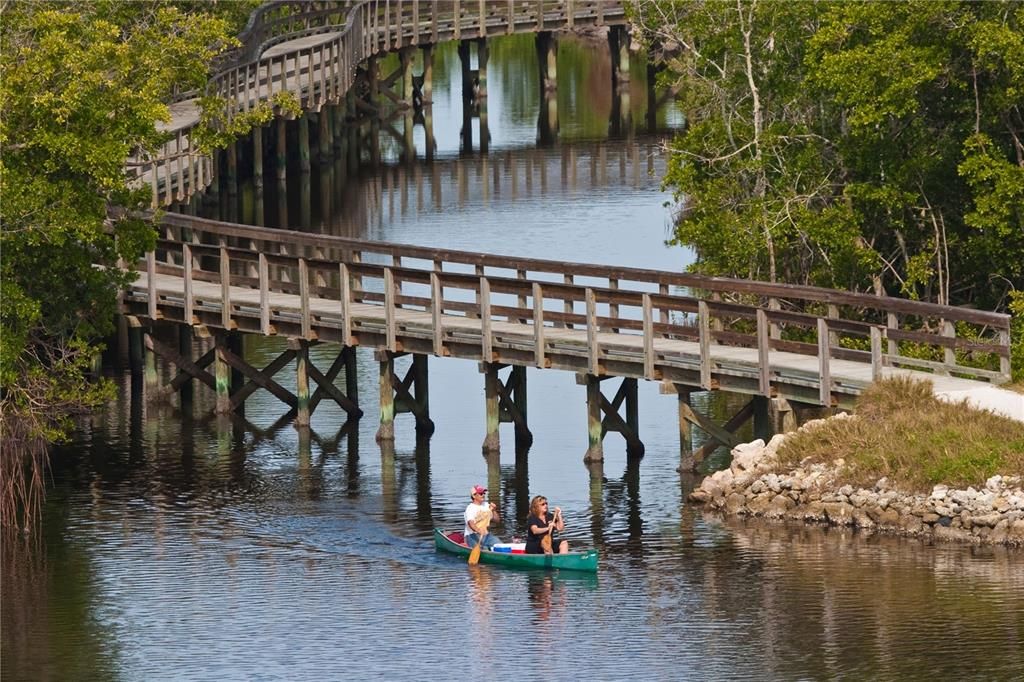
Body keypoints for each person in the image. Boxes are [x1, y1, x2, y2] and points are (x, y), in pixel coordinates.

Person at [464, 484, 501, 551]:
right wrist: (478, 530)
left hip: (487, 536)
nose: (483, 495)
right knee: (484, 550)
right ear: (474, 495)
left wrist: (494, 511)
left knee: (501, 546)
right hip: (472, 535)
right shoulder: (470, 508)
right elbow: (470, 523)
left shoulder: (487, 505)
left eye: (484, 493)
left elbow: (497, 520)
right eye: (481, 493)